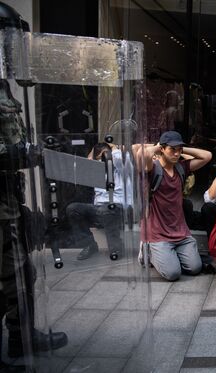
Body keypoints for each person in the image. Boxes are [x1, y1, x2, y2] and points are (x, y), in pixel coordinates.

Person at [1, 77, 67, 368]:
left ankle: (21, 336)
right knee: (7, 281)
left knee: (21, 275)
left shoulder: (4, 86)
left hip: (8, 199)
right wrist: (21, 154)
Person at [136, 131, 211, 281]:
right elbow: (141, 155)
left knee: (195, 268)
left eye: (179, 150)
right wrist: (158, 147)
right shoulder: (153, 169)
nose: (177, 153)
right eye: (172, 149)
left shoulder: (181, 167)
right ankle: (148, 250)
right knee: (172, 274)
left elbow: (207, 156)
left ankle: (170, 254)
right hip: (157, 233)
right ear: (162, 149)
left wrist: (181, 147)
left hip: (179, 231)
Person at [66, 143, 127, 260]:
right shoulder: (95, 171)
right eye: (99, 158)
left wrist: (113, 148)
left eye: (106, 156)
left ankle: (116, 247)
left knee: (107, 210)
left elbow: (118, 158)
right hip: (98, 209)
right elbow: (80, 165)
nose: (103, 160)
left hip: (117, 209)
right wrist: (94, 152)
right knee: (72, 209)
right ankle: (89, 244)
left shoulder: (120, 169)